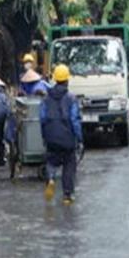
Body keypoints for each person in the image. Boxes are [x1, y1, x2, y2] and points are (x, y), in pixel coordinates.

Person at [41, 65, 83, 204]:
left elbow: (42, 119)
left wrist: (45, 136)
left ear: (55, 80)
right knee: (69, 164)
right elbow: (74, 120)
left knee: (51, 161)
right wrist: (80, 139)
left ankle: (51, 179)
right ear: (67, 81)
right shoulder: (71, 98)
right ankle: (67, 195)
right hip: (67, 139)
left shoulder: (46, 99)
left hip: (51, 137)